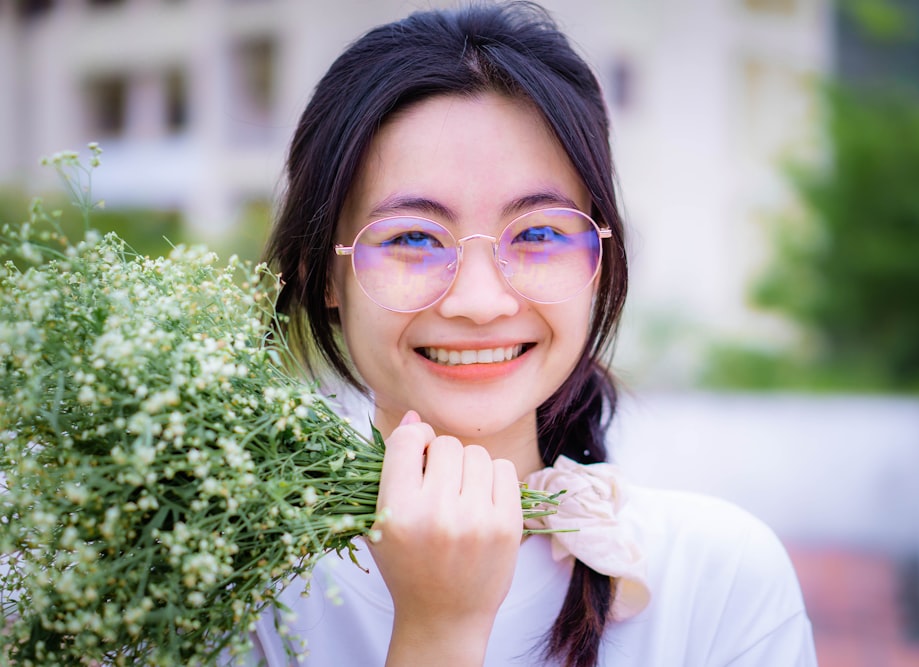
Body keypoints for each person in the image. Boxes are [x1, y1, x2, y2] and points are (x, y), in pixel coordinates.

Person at [253, 3, 818, 666]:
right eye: (412, 238)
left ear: (599, 260)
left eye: (540, 234)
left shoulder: (719, 579)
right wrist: (439, 630)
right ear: (324, 272)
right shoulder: (228, 584)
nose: (479, 300)